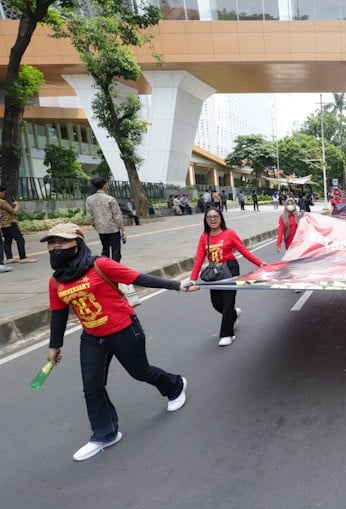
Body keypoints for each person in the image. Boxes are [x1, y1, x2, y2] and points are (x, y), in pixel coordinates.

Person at [41, 222, 193, 462]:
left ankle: (174, 386)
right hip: (92, 337)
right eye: (51, 243)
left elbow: (137, 277)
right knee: (92, 387)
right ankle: (105, 434)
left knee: (140, 372)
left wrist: (177, 285)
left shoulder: (100, 265)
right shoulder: (56, 281)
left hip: (124, 329)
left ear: (77, 243)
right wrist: (54, 345)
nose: (56, 246)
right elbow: (58, 313)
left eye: (61, 241)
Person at [187, 208, 268, 347]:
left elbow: (244, 250)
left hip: (230, 269)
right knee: (216, 303)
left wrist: (260, 263)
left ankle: (227, 334)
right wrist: (192, 278)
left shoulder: (229, 233)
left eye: (215, 216)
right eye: (209, 217)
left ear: (221, 218)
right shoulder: (204, 237)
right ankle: (234, 314)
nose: (213, 219)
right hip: (215, 272)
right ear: (206, 220)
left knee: (228, 302)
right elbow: (200, 258)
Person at [85, 177, 125, 262]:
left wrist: (94, 224)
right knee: (116, 250)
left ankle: (105, 267)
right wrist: (122, 229)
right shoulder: (110, 199)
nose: (108, 185)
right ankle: (115, 269)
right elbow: (117, 216)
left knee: (105, 248)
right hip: (113, 228)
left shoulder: (89, 199)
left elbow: (89, 215)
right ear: (104, 185)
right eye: (106, 184)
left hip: (101, 229)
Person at [0, 185, 36, 263]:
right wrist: (17, 205)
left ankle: (10, 258)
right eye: (3, 193)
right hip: (10, 223)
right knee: (20, 240)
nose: (4, 194)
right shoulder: (2, 202)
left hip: (3, 224)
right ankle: (23, 258)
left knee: (7, 240)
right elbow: (14, 212)